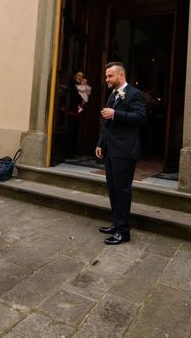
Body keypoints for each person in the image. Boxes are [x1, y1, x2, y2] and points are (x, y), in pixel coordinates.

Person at [95, 62, 146, 245]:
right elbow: (106, 122)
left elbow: (140, 117)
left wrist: (116, 113)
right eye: (106, 76)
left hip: (125, 151)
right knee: (113, 189)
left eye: (110, 76)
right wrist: (101, 143)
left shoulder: (134, 94)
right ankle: (117, 224)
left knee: (122, 191)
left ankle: (124, 232)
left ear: (121, 75)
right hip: (111, 149)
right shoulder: (113, 94)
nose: (106, 79)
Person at [67, 71, 90, 158]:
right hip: (71, 111)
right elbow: (76, 96)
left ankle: (72, 152)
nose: (80, 77)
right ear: (75, 76)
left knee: (75, 131)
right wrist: (81, 98)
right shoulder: (73, 84)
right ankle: (69, 153)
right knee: (71, 132)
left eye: (82, 76)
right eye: (78, 75)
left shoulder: (82, 85)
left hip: (76, 111)